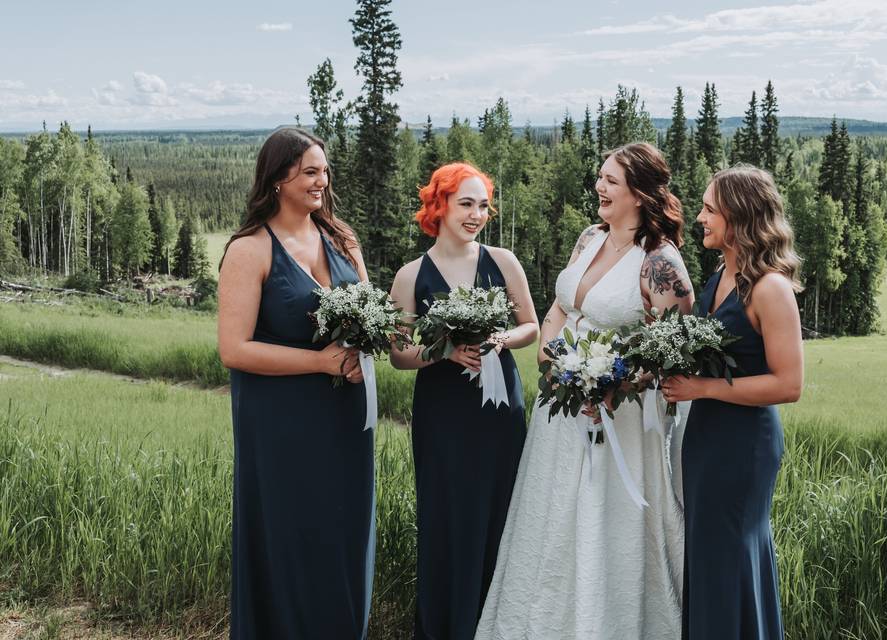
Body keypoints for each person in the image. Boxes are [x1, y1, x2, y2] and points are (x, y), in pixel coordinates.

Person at [476, 143, 694, 639]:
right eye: (600, 177)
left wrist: (614, 386)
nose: (599, 187)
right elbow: (559, 308)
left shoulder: (660, 262)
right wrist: (553, 357)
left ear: (640, 194)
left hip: (620, 416)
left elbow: (673, 349)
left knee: (605, 524)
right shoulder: (589, 237)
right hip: (561, 409)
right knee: (551, 518)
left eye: (611, 181)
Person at [218, 128, 373, 639]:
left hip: (346, 416)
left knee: (342, 532)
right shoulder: (249, 249)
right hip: (281, 424)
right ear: (279, 177)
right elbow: (234, 349)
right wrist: (321, 363)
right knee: (291, 534)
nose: (322, 182)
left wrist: (361, 352)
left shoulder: (342, 240)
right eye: (310, 171)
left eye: (325, 171)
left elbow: (369, 316)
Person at [389, 162, 538, 640]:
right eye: (465, 203)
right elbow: (397, 354)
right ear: (439, 206)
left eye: (483, 205)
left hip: (500, 413)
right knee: (448, 515)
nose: (476, 214)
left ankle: (500, 625)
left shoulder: (504, 261)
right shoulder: (411, 276)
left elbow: (530, 326)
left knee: (502, 510)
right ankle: (447, 626)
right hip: (443, 414)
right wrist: (446, 352)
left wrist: (502, 339)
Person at [660, 165, 803, 640]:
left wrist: (704, 389)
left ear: (738, 218)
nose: (700, 217)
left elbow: (788, 384)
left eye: (708, 209)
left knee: (731, 554)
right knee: (706, 556)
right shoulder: (722, 274)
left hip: (743, 445)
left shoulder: (771, 289)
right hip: (705, 438)